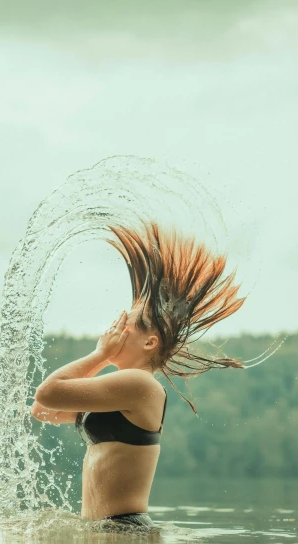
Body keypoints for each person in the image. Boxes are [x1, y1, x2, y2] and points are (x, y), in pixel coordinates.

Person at [31, 221, 246, 526]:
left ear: (149, 342)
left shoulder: (139, 384)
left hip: (123, 529)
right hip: (105, 532)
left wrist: (101, 354)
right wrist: (102, 358)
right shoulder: (119, 390)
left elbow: (47, 392)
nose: (114, 329)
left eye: (125, 323)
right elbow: (42, 410)